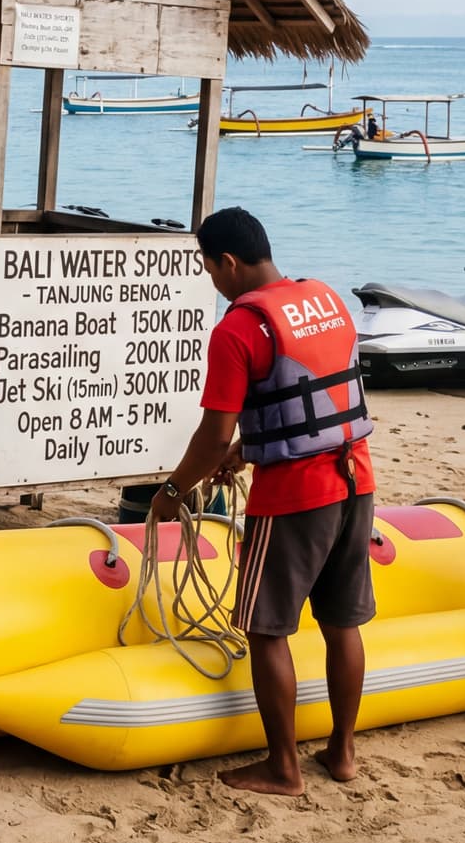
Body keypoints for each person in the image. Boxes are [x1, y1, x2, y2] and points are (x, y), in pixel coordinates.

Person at [150, 207, 376, 796]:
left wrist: (173, 493)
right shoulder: (324, 300)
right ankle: (343, 752)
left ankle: (283, 767)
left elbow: (211, 434)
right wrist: (251, 450)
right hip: (358, 480)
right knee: (341, 621)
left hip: (295, 497)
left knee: (264, 628)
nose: (212, 282)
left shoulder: (237, 329)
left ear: (227, 262)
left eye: (209, 269)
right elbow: (310, 398)